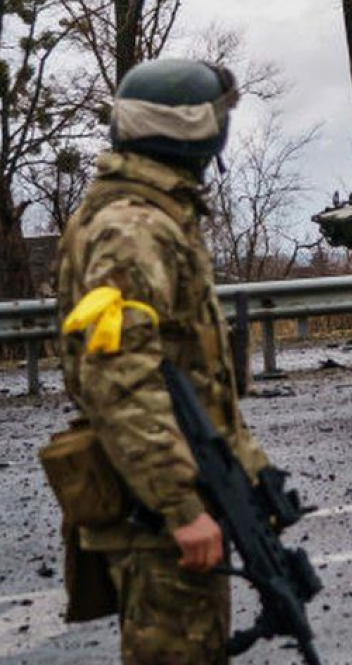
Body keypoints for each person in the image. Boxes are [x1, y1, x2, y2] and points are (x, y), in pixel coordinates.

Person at [53, 59, 272, 664]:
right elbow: (119, 380)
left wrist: (248, 478)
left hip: (176, 490)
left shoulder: (151, 215)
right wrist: (179, 506)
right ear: (196, 130)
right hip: (157, 509)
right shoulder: (134, 228)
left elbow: (189, 377)